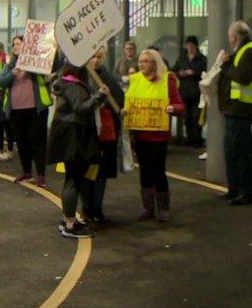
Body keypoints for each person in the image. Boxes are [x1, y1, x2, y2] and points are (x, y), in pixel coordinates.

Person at [47, 62, 109, 239]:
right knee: (74, 179)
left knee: (71, 179)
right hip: (75, 136)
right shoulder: (75, 86)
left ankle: (68, 217)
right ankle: (70, 223)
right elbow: (81, 109)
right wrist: (99, 96)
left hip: (67, 135)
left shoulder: (64, 83)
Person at [125, 49, 184, 222]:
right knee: (144, 171)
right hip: (140, 134)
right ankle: (147, 207)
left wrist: (173, 108)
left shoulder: (168, 80)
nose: (141, 64)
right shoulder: (135, 80)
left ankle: (163, 208)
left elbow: (179, 105)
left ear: (154, 63)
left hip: (159, 135)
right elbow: (128, 102)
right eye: (140, 61)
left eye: (145, 61)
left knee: (158, 170)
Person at [218, 20, 252, 206]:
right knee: (231, 152)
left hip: (241, 110)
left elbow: (244, 77)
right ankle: (235, 188)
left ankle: (247, 192)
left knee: (241, 152)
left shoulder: (248, 52)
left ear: (234, 36)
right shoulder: (242, 52)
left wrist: (225, 66)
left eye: (230, 36)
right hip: (234, 110)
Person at [0, 34, 54, 187]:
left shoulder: (37, 63)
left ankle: (41, 174)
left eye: (19, 43)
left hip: (36, 110)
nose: (16, 46)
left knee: (38, 142)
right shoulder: (9, 65)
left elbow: (47, 75)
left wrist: (32, 67)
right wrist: (14, 73)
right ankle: (27, 172)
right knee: (22, 142)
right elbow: (1, 82)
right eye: (14, 44)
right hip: (16, 110)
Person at [83, 46, 124, 222]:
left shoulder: (110, 79)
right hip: (87, 129)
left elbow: (119, 101)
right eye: (92, 56)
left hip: (106, 131)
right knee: (86, 170)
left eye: (99, 56)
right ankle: (86, 206)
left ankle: (97, 207)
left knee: (101, 172)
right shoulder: (82, 75)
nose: (96, 60)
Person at [171, 35, 207, 147]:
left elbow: (206, 74)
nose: (189, 47)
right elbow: (173, 71)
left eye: (191, 45)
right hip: (184, 92)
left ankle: (197, 139)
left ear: (196, 46)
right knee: (187, 117)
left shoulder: (202, 59)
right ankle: (189, 138)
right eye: (188, 45)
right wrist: (180, 73)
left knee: (196, 117)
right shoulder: (182, 58)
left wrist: (194, 73)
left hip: (197, 92)